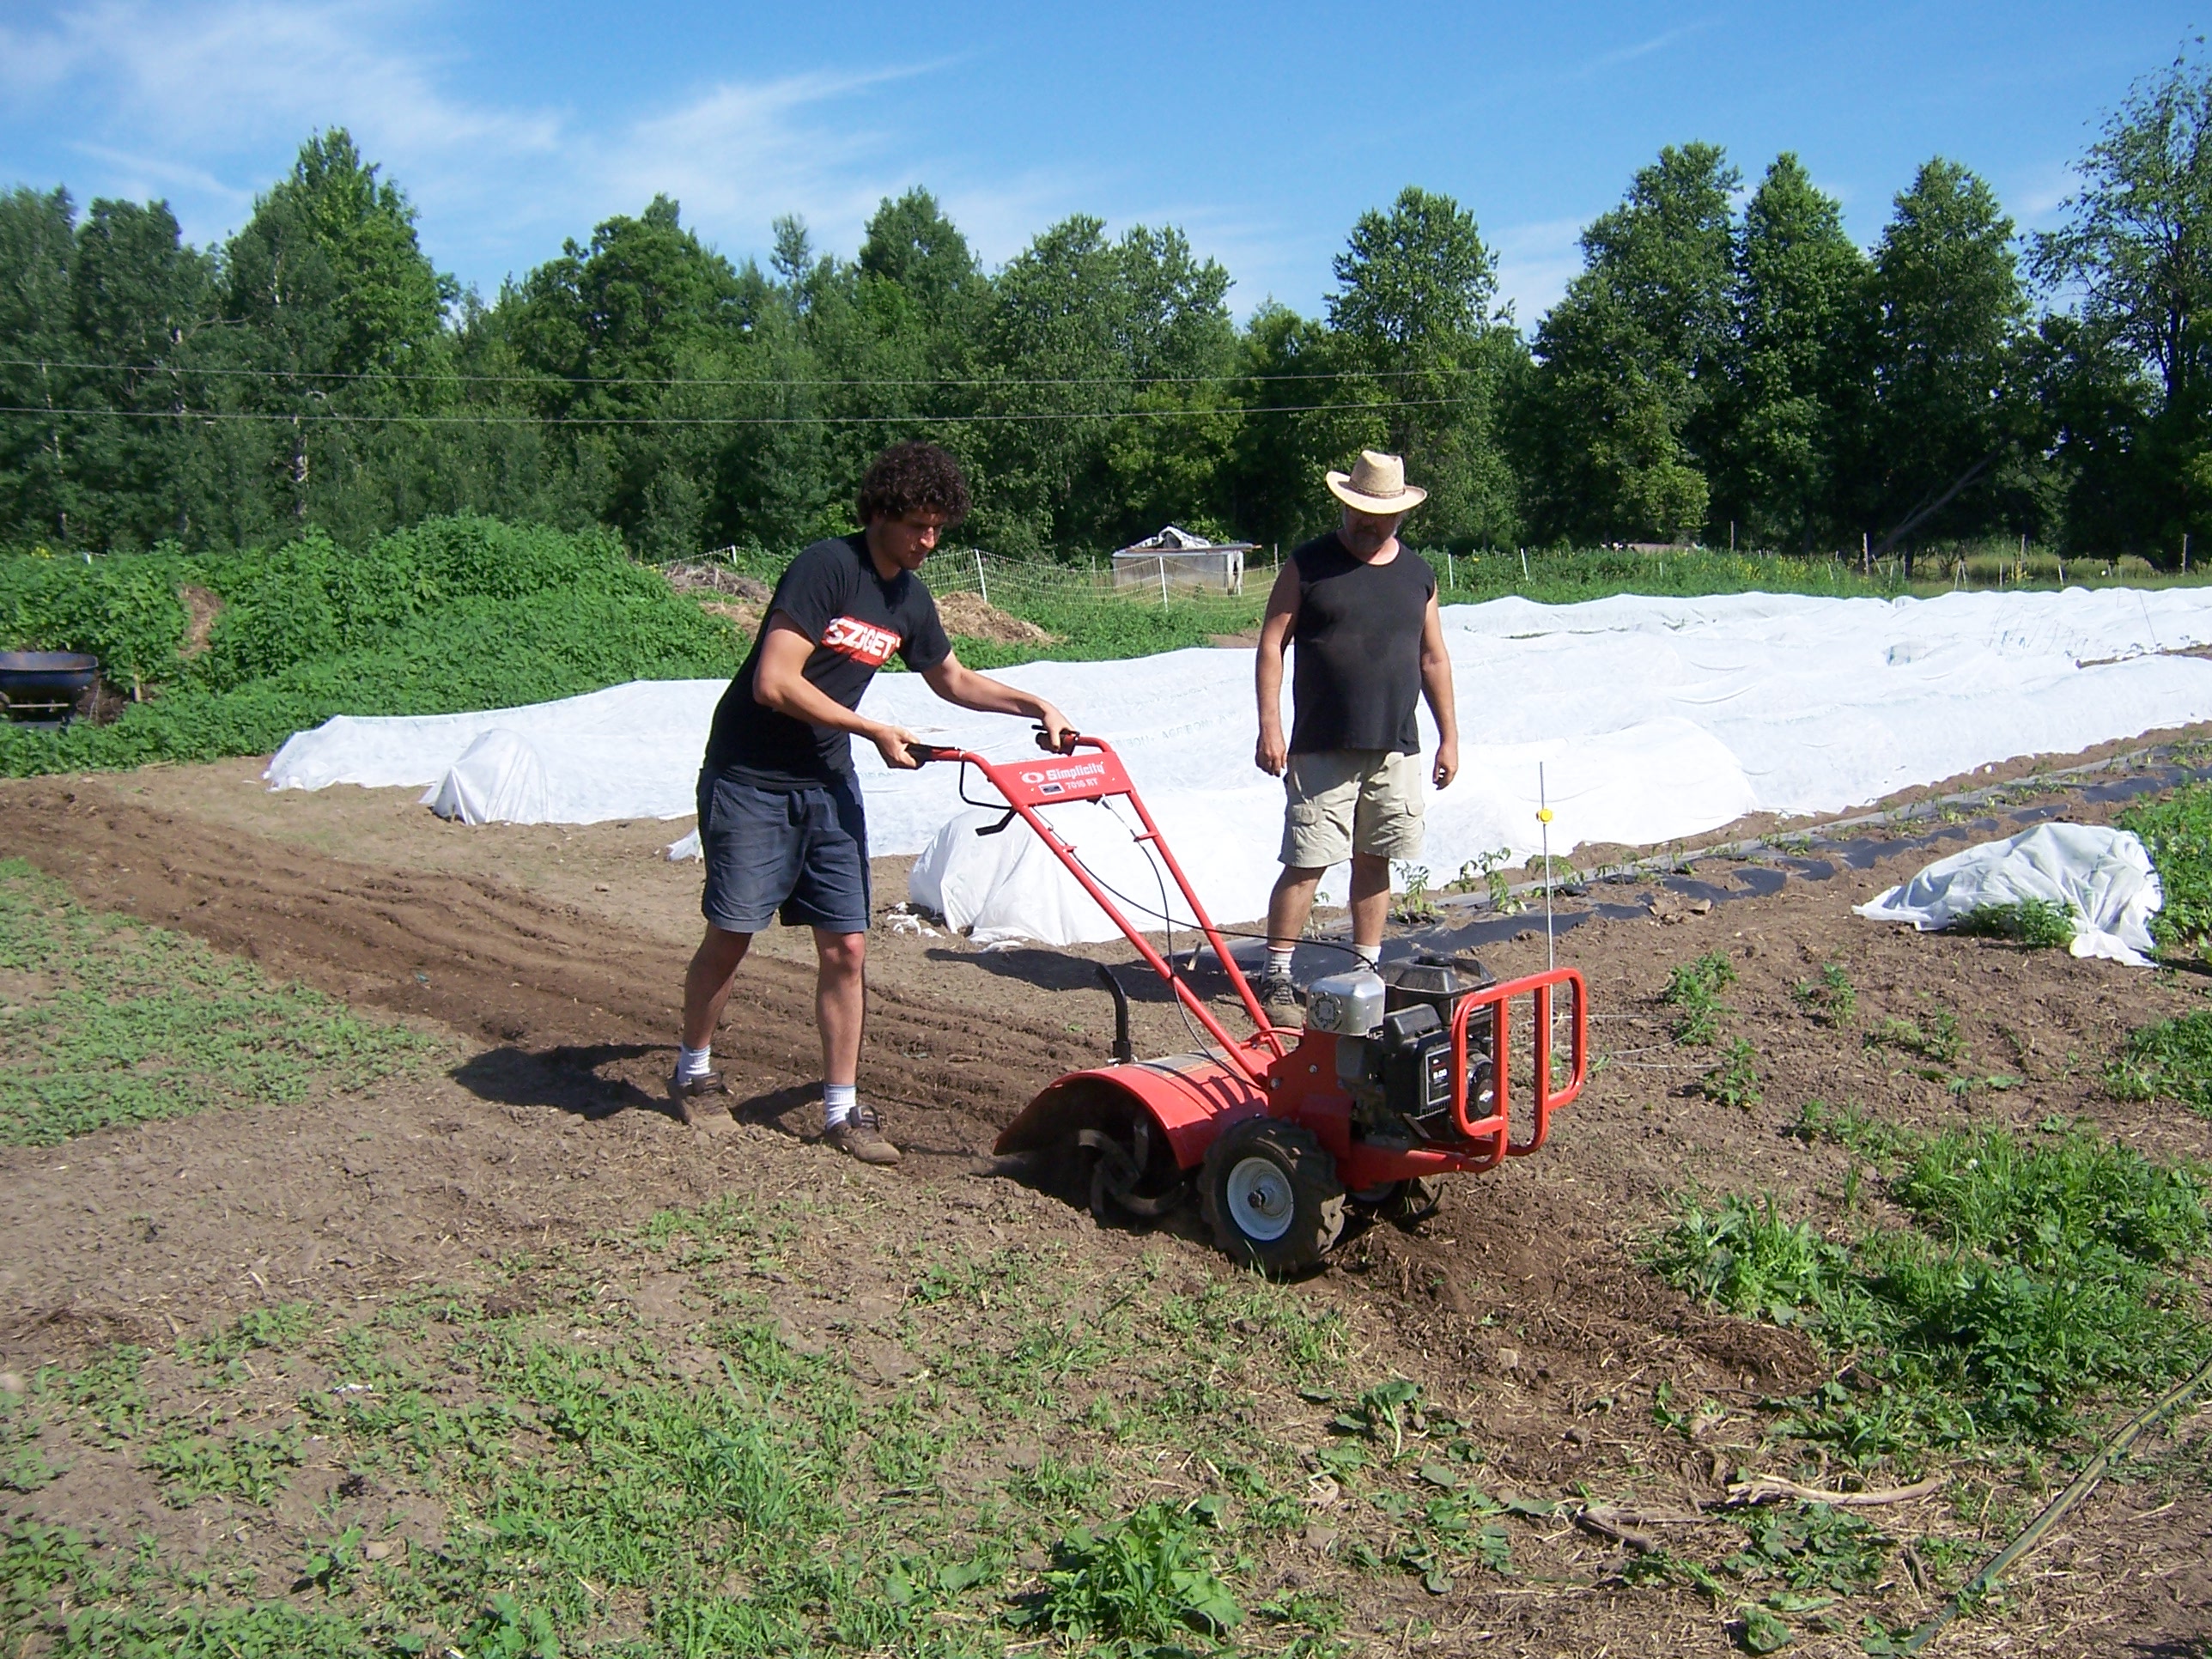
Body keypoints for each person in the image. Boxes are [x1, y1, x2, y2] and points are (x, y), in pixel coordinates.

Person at [673, 441, 1074, 1164]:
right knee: (734, 931)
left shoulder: (908, 598)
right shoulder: (828, 567)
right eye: (919, 524)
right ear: (881, 513)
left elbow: (952, 678)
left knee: (848, 947)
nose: (930, 540)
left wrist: (1035, 704)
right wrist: (870, 727)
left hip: (826, 781)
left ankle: (841, 1111)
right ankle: (694, 1071)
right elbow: (774, 681)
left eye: (939, 528)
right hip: (751, 776)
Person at [1252, 450, 1459, 1010]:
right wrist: (1270, 727)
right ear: (1345, 506)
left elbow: (1434, 659)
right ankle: (1275, 974)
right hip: (1321, 744)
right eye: (1358, 512)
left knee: (1376, 858)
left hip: (1395, 745)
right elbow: (1272, 644)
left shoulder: (1418, 575)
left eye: (1380, 514)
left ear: (1399, 514)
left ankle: (1365, 969)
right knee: (1308, 858)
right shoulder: (1309, 564)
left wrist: (1450, 737)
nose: (1368, 523)